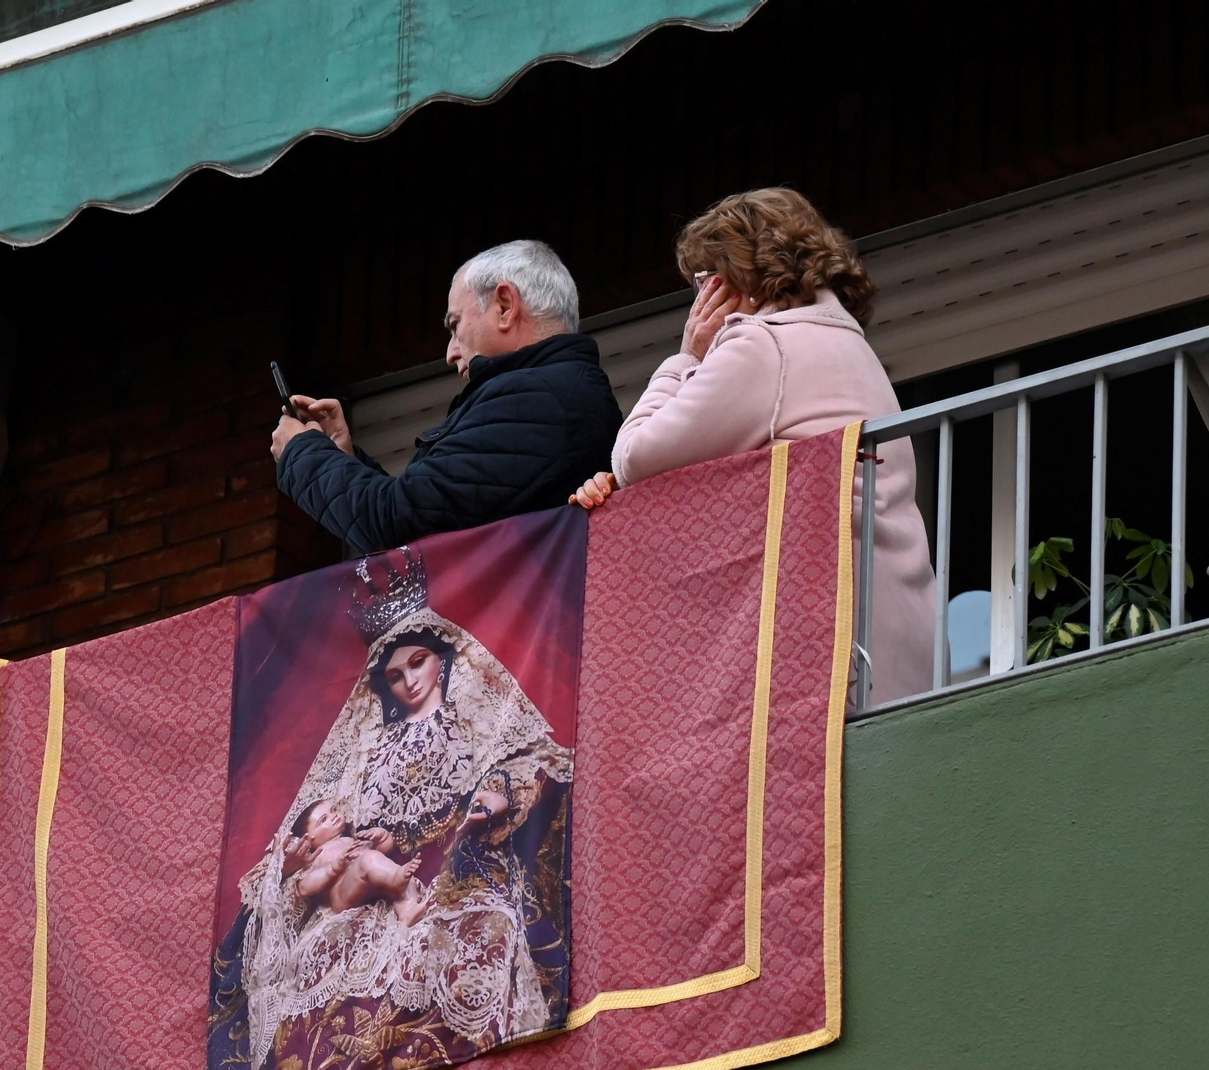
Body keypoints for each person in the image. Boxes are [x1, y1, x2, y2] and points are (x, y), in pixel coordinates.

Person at [208, 549, 573, 1070]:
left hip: (459, 869)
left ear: (442, 660)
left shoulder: (475, 720)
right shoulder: (369, 747)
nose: (410, 680)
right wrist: (327, 852)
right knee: (321, 960)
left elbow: (533, 762)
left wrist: (497, 793)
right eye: (397, 674)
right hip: (373, 889)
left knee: (484, 933)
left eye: (418, 662)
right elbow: (326, 818)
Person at [571, 188, 936, 705]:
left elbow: (635, 458)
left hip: (828, 647)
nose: (699, 298)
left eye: (703, 279)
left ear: (733, 275)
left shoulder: (765, 345)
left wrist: (686, 356)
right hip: (896, 634)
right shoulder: (848, 342)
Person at [270, 240, 622, 554]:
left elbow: (397, 525)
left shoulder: (536, 399)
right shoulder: (553, 394)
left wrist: (301, 453)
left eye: (455, 325)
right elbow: (426, 512)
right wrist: (343, 458)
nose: (451, 354)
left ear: (504, 306)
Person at [288, 798, 428, 925]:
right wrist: (332, 869)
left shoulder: (352, 839)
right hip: (342, 893)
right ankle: (395, 879)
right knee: (370, 860)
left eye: (333, 810)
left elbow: (381, 852)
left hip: (371, 882)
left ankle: (408, 910)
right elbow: (304, 888)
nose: (333, 816)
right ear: (307, 839)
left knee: (405, 876)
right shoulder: (319, 854)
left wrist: (382, 837)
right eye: (323, 820)